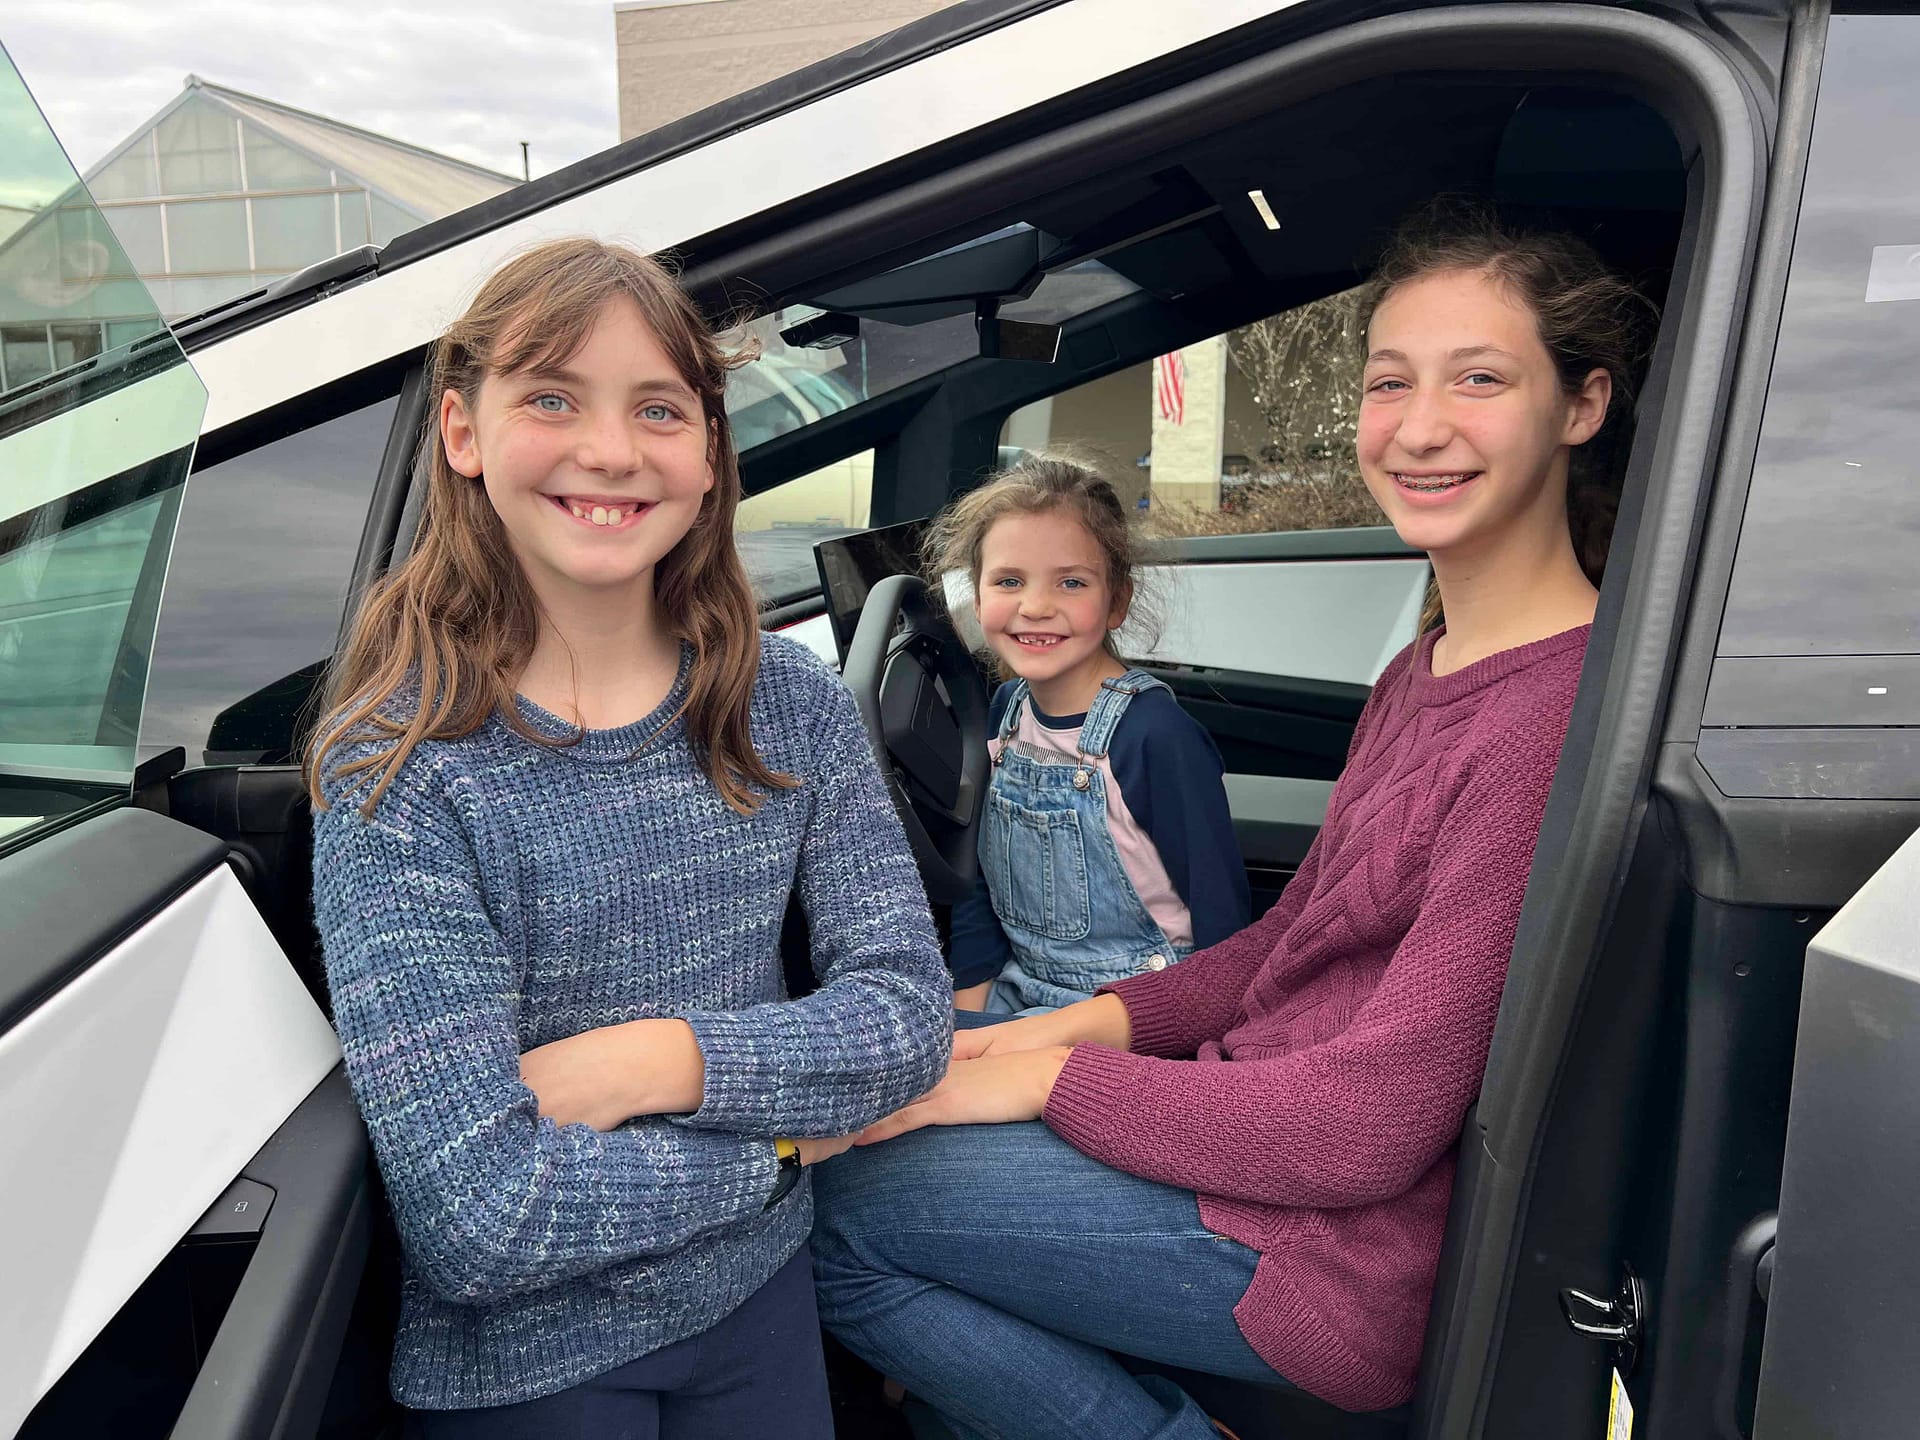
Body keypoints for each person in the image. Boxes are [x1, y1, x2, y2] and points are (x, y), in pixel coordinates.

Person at [811, 208, 1654, 1437]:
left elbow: (1362, 1132)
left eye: (1481, 380)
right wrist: (1045, 1037)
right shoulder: (1429, 671)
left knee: (830, 1222)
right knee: (891, 1140)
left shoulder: (1545, 721)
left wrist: (1046, 1082)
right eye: (1390, 382)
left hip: (1328, 1250)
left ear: (1580, 408)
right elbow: (1283, 947)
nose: (1420, 427)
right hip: (1252, 1139)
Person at [305, 238, 949, 1439]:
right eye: (552, 397)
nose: (610, 451)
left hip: (760, 1312)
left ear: (707, 453)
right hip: (528, 1371)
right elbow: (481, 1216)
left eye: (658, 408)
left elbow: (908, 1016)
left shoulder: (788, 706)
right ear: (464, 432)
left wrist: (653, 1062)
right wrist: (780, 1152)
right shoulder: (396, 770)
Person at [927, 457, 1248, 1013]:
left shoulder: (1152, 735)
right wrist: (966, 1019)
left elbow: (1222, 919)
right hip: (1020, 990)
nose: (1035, 606)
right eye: (1008, 581)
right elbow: (982, 888)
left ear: (1117, 600)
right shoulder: (1007, 712)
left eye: (1071, 582)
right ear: (977, 600)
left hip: (1139, 1010)